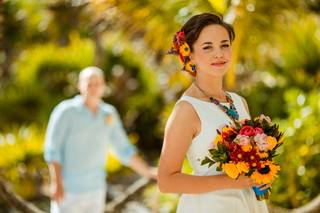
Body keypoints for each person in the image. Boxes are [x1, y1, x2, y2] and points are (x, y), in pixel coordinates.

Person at [158, 13, 270, 213]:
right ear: (190, 54)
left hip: (249, 205)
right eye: (207, 47)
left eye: (224, 45)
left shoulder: (238, 101)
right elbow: (166, 182)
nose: (219, 54)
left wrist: (260, 175)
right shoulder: (186, 110)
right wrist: (230, 181)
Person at [44, 66, 156, 213]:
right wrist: (56, 183)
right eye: (89, 83)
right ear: (79, 85)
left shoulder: (108, 114)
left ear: (103, 86)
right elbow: (53, 150)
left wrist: (148, 172)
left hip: (96, 191)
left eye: (97, 83)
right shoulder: (65, 111)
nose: (93, 88)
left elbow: (123, 149)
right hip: (68, 191)